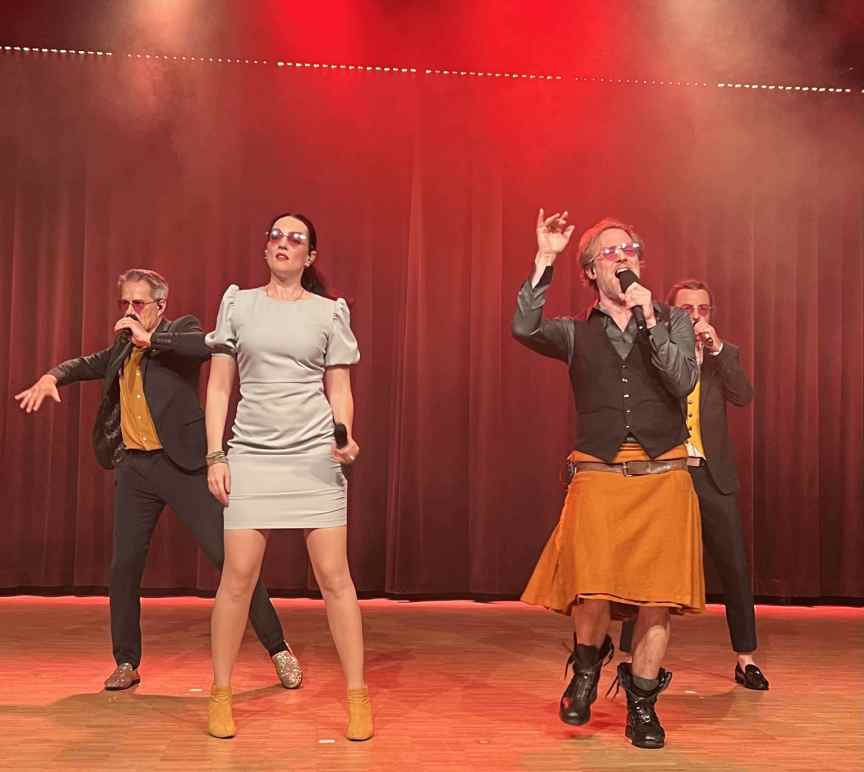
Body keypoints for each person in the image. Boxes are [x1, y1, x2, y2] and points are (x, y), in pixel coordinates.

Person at [13, 268, 297, 691]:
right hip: (136, 470)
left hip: (183, 467)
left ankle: (278, 649)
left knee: (231, 561)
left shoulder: (179, 333)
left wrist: (151, 340)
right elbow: (87, 364)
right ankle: (126, 661)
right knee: (124, 567)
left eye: (138, 303)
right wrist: (51, 376)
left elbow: (205, 345)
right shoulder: (122, 347)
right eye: (124, 303)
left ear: (160, 305)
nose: (129, 311)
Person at [512, 210, 704, 749]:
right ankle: (587, 668)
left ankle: (642, 703)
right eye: (611, 253)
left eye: (630, 250)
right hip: (598, 472)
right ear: (591, 271)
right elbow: (524, 327)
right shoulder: (575, 332)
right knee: (591, 588)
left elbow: (684, 380)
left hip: (664, 474)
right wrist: (545, 258)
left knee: (658, 598)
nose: (623, 258)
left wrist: (650, 320)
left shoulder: (672, 321)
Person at [204, 212, 371, 741]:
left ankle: (358, 696)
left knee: (335, 578)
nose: (283, 243)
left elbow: (339, 387)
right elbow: (218, 387)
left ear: (309, 256)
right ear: (265, 249)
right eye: (275, 235)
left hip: (314, 457)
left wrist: (344, 436)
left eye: (295, 238)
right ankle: (220, 693)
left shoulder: (328, 312)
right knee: (237, 578)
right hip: (252, 455)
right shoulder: (238, 305)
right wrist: (216, 455)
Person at [620, 279, 767, 689]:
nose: (696, 316)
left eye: (703, 309)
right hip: (666, 471)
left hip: (712, 474)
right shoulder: (655, 349)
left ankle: (745, 658)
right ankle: (631, 656)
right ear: (671, 313)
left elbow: (743, 396)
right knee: (649, 565)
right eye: (687, 309)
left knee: (734, 566)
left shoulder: (724, 353)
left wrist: (717, 351)